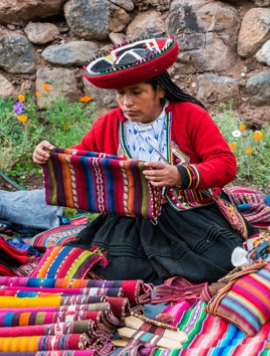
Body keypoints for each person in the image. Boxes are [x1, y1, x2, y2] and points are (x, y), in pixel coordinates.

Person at [33, 37, 252, 285]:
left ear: (159, 90)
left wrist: (180, 175)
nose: (127, 102)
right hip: (132, 217)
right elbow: (82, 156)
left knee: (218, 261)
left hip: (189, 213)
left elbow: (224, 163)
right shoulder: (110, 124)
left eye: (137, 92)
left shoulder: (190, 115)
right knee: (114, 269)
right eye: (121, 94)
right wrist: (49, 154)